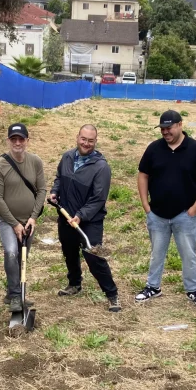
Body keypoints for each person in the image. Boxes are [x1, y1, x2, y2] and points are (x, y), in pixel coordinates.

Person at [135, 110, 196, 307]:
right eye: (162, 128)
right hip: (157, 214)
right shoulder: (154, 149)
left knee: (189, 254)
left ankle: (193, 289)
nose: (165, 132)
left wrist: (195, 207)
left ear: (180, 125)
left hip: (185, 214)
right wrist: (146, 205)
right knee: (157, 253)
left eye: (169, 128)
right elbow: (143, 174)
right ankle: (153, 286)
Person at [50, 125, 121, 313]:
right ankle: (74, 284)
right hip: (66, 217)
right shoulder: (67, 157)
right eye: (83, 139)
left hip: (89, 221)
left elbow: (98, 198)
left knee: (93, 256)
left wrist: (81, 216)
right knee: (69, 251)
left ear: (95, 142)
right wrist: (55, 192)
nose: (86, 143)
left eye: (90, 140)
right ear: (77, 137)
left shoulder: (101, 167)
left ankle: (112, 294)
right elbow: (59, 178)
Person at [0, 123, 46, 313]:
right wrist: (14, 224)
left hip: (28, 221)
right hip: (7, 220)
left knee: (22, 257)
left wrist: (33, 218)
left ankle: (15, 292)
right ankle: (15, 296)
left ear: (27, 141)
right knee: (12, 252)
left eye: (21, 139)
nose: (17, 142)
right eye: (13, 139)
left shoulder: (35, 162)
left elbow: (42, 190)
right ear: (8, 141)